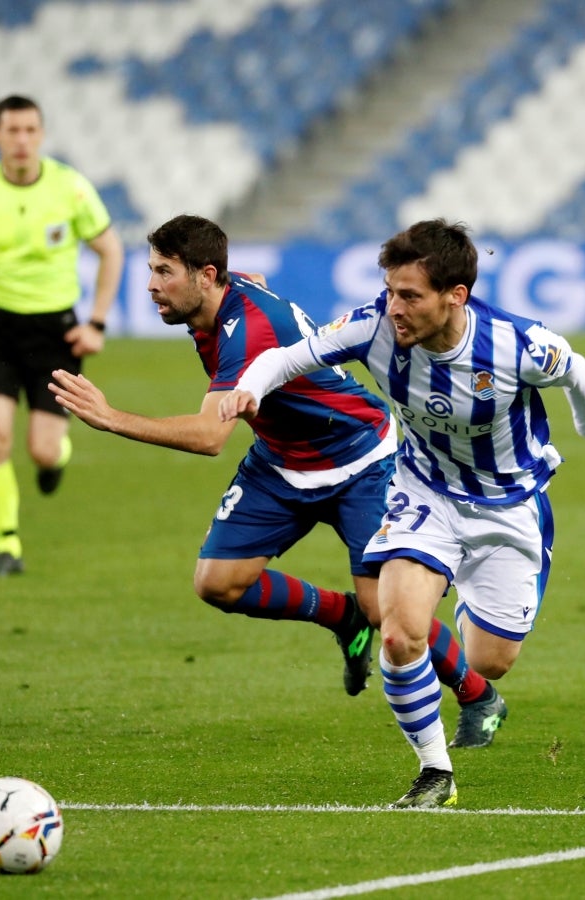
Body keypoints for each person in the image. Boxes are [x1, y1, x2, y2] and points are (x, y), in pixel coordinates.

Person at [48, 214, 506, 744]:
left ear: (205, 275)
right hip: (281, 459)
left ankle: (479, 695)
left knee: (389, 611)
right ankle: (341, 617)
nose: (151, 284)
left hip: (359, 459)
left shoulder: (249, 332)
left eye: (164, 271)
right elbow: (249, 284)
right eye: (151, 269)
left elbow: (209, 436)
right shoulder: (224, 294)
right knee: (217, 584)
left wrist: (111, 418)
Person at [218, 218, 585, 807]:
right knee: (402, 631)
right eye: (390, 290)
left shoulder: (517, 344)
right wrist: (250, 388)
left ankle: (467, 606)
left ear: (455, 296)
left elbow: (577, 370)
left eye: (409, 295)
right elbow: (287, 358)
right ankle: (436, 773)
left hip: (509, 508)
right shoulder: (373, 326)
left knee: (492, 660)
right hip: (424, 492)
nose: (394, 306)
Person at [0, 94, 124, 577]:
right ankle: (7, 545)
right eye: (12, 130)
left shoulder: (71, 188)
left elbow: (111, 251)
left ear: (40, 135)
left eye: (29, 130)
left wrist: (96, 322)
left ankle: (53, 461)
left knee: (42, 448)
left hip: (55, 332)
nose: (21, 140)